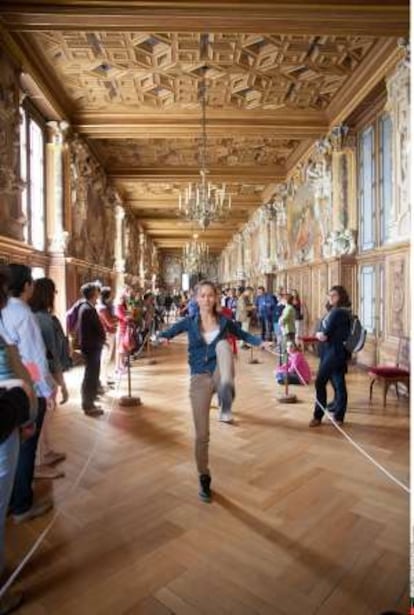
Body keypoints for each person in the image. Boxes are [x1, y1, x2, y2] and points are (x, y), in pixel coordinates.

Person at [157, 280, 271, 503]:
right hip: (199, 379)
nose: (207, 299)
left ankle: (225, 397)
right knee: (202, 435)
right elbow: (168, 332)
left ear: (216, 298)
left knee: (222, 346)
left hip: (220, 372)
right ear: (196, 299)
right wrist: (161, 338)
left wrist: (261, 343)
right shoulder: (189, 323)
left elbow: (243, 335)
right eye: (203, 295)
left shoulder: (225, 322)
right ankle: (204, 475)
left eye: (211, 295)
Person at [0, 264, 55, 524]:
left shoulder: (5, 312)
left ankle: (10, 500)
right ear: (26, 286)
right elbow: (34, 357)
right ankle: (22, 504)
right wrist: (46, 390)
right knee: (26, 448)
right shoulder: (24, 314)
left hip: (6, 387)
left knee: (10, 451)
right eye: (31, 282)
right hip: (25, 390)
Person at [29, 277, 69, 479]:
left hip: (37, 375)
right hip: (44, 375)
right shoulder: (43, 320)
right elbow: (50, 355)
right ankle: (38, 462)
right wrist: (61, 383)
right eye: (53, 292)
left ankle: (45, 452)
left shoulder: (33, 316)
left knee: (44, 418)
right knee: (42, 419)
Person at [309, 285, 352, 427]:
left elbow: (324, 334)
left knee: (320, 382)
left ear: (341, 297)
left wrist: (318, 334)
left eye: (334, 295)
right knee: (339, 384)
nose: (330, 298)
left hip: (333, 353)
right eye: (329, 295)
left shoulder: (338, 312)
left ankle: (318, 416)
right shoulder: (337, 311)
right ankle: (338, 416)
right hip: (334, 353)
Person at [78, 283, 106, 416]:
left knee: (92, 374)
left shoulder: (85, 307)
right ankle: (88, 404)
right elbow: (97, 328)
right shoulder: (88, 309)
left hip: (91, 346)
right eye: (97, 292)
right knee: (91, 375)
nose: (99, 294)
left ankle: (90, 401)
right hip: (92, 347)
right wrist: (102, 338)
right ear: (93, 294)